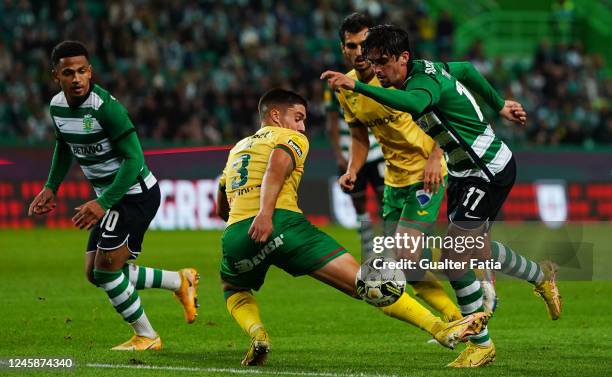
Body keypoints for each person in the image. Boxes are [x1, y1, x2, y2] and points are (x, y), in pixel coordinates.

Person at [321, 25, 561, 367]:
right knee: (473, 248)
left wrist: (357, 86)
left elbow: (414, 102)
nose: (377, 70)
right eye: (372, 63)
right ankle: (540, 277)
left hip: (488, 168)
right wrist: (498, 105)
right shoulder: (427, 69)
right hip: (463, 171)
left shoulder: (421, 84)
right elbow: (464, 68)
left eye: (383, 62)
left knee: (453, 251)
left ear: (404, 58)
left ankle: (480, 343)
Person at [216, 88, 488, 366]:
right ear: (275, 115)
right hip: (283, 224)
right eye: (298, 117)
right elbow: (278, 163)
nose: (302, 126)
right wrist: (264, 213)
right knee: (367, 282)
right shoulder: (291, 137)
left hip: (238, 234)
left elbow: (221, 201)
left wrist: (243, 218)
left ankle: (258, 334)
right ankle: (439, 327)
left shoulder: (237, 149)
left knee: (233, 287)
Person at [27, 40, 199, 351]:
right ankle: (179, 281)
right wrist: (51, 186)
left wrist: (102, 202)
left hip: (135, 194)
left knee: (106, 271)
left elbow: (134, 160)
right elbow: (63, 145)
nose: (77, 78)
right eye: (69, 73)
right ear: (56, 76)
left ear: (90, 72)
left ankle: (147, 336)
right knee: (95, 272)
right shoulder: (57, 108)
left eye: (82, 71)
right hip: (112, 197)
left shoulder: (106, 108)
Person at [332, 12, 461, 322]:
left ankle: (475, 271)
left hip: (425, 175)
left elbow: (438, 111)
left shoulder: (394, 75)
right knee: (408, 266)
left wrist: (435, 158)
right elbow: (359, 136)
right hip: (394, 181)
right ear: (343, 49)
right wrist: (352, 169)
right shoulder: (344, 88)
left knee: (404, 255)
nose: (360, 52)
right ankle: (459, 319)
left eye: (365, 43)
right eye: (352, 45)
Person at [324, 85, 384, 253]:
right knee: (359, 202)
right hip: (350, 155)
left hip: (377, 151)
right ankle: (368, 246)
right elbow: (332, 124)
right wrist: (338, 156)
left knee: (384, 199)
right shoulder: (333, 87)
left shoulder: (373, 81)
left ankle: (384, 243)